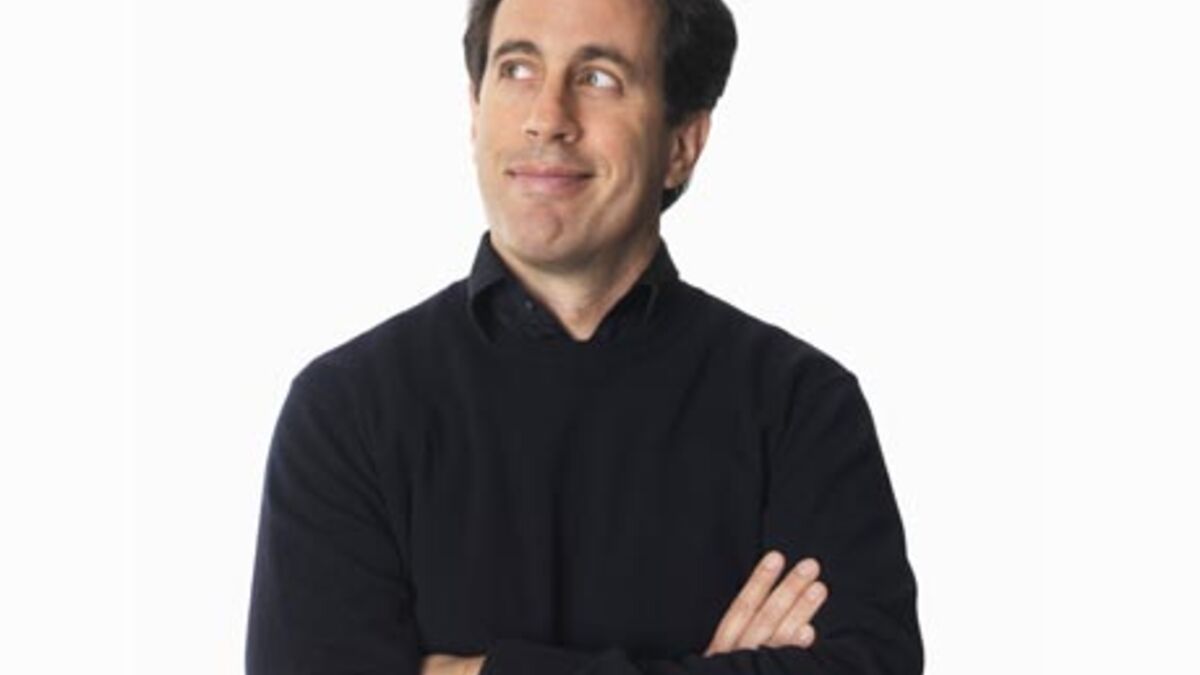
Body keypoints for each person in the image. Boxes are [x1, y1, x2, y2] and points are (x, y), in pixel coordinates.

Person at [245, 0, 923, 673]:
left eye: (599, 78)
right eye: (517, 69)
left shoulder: (800, 406)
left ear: (681, 144)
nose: (547, 118)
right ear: (475, 111)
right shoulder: (347, 411)